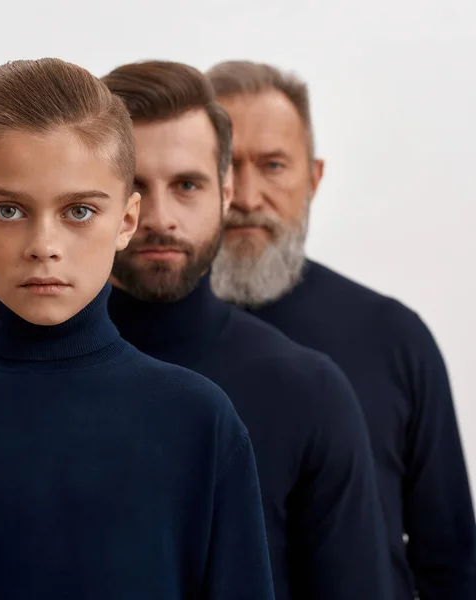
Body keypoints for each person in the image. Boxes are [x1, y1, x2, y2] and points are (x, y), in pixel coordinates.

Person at [0, 58, 275, 600]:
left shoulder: (200, 423)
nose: (44, 244)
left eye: (79, 211)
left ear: (126, 221)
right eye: (10, 210)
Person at [103, 60, 393, 600]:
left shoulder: (311, 392)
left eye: (187, 184)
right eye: (133, 188)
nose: (161, 217)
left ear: (224, 189)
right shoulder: (14, 382)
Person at [207, 59, 476, 600]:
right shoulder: (126, 339)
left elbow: (450, 562)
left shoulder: (395, 337)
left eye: (275, 165)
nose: (248, 197)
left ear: (314, 177)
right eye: (228, 168)